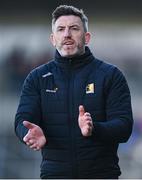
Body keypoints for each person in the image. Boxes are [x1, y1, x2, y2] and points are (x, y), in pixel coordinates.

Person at [15, 5, 133, 179]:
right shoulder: (37, 78)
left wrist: (94, 129)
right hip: (54, 175)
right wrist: (28, 134)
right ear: (53, 39)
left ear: (87, 37)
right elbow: (22, 121)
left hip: (102, 175)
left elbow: (124, 127)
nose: (67, 34)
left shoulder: (110, 75)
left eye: (74, 28)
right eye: (61, 29)